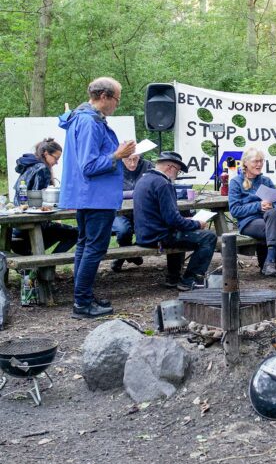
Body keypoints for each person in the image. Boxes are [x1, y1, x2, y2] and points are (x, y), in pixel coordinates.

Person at [58, 77, 136, 319]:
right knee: (93, 249)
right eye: (116, 99)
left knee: (84, 246)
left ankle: (84, 296)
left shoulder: (80, 117)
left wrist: (115, 153)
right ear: (104, 96)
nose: (117, 105)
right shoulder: (90, 122)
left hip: (87, 195)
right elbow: (89, 165)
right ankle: (81, 303)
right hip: (96, 196)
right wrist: (117, 155)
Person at [133, 152, 217, 291]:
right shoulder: (163, 184)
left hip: (145, 234)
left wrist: (185, 221)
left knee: (181, 231)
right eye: (178, 171)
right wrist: (197, 223)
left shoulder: (143, 180)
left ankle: (173, 278)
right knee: (208, 237)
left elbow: (163, 216)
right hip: (158, 237)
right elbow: (172, 220)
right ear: (170, 167)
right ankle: (190, 280)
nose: (177, 175)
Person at [228, 147, 276, 288]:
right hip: (249, 223)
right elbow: (235, 210)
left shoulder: (266, 180)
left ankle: (271, 262)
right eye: (256, 161)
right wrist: (258, 206)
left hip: (270, 220)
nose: (259, 164)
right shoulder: (236, 182)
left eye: (261, 161)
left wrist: (272, 208)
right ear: (245, 163)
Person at [11, 138, 79, 256]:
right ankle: (48, 265)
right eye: (56, 158)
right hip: (31, 227)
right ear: (46, 154)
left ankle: (41, 265)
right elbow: (42, 202)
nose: (57, 162)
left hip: (17, 228)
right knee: (75, 233)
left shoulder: (29, 165)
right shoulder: (42, 169)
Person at [110, 153, 154, 272]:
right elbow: (109, 193)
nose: (133, 163)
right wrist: (136, 193)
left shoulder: (148, 166)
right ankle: (132, 254)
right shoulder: (114, 167)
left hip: (142, 210)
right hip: (118, 211)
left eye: (135, 159)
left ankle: (123, 257)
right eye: (128, 160)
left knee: (151, 229)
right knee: (123, 230)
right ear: (122, 158)